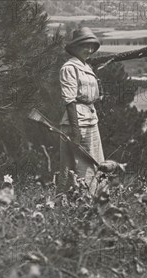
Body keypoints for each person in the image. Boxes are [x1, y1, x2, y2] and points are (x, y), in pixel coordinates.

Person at [59, 27, 105, 193]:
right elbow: (69, 101)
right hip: (77, 122)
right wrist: (75, 131)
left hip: (91, 120)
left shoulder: (86, 67)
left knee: (95, 162)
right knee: (80, 165)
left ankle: (94, 198)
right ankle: (80, 202)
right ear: (75, 47)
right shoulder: (69, 68)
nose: (90, 50)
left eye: (92, 46)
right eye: (86, 46)